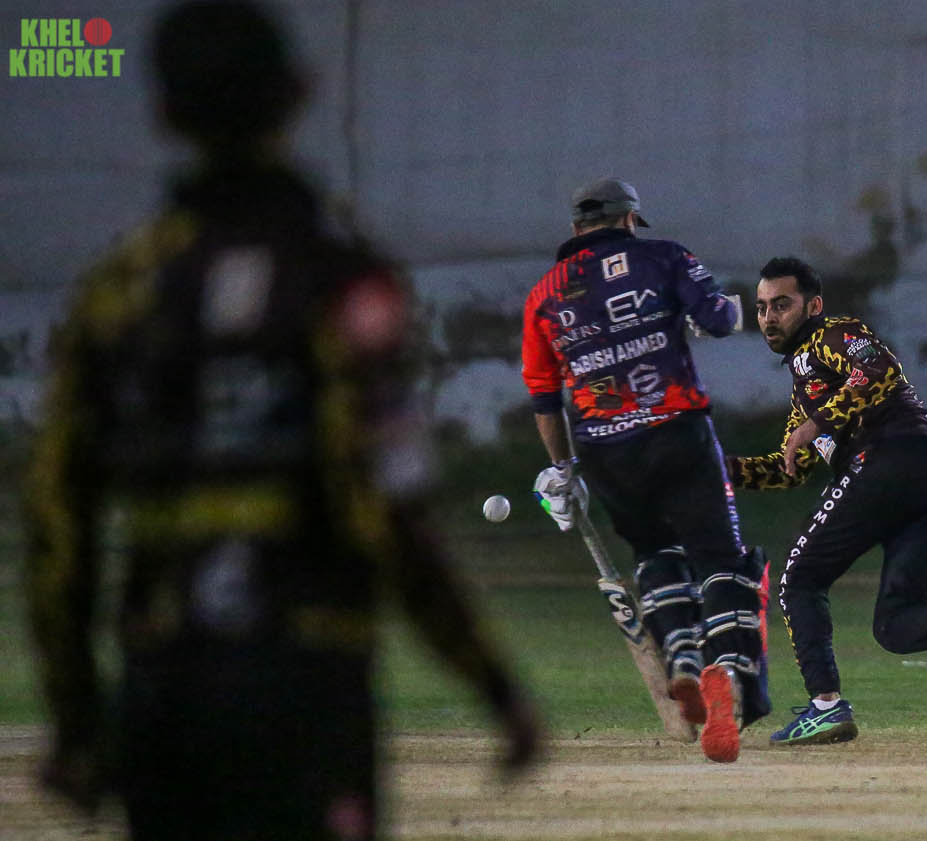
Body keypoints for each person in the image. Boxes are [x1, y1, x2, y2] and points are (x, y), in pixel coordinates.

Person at [23, 3, 542, 839]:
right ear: (299, 93)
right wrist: (493, 684)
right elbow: (385, 508)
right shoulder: (342, 283)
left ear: (163, 111)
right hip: (307, 685)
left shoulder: (116, 294)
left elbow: (57, 523)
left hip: (166, 692)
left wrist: (77, 720)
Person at [727, 256, 927, 747]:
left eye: (781, 305)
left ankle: (825, 708)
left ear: (813, 306)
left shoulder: (831, 334)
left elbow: (879, 369)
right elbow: (787, 470)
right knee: (895, 626)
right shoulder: (806, 389)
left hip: (895, 458)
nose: (768, 318)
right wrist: (718, 470)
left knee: (799, 578)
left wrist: (818, 422)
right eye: (761, 308)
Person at [521, 177, 770, 763]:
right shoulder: (664, 257)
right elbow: (717, 319)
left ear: (576, 229)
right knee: (719, 557)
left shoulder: (542, 296)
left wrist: (562, 470)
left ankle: (681, 657)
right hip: (677, 431)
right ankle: (725, 673)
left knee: (655, 552)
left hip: (604, 448)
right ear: (630, 219)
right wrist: (733, 309)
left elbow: (543, 394)